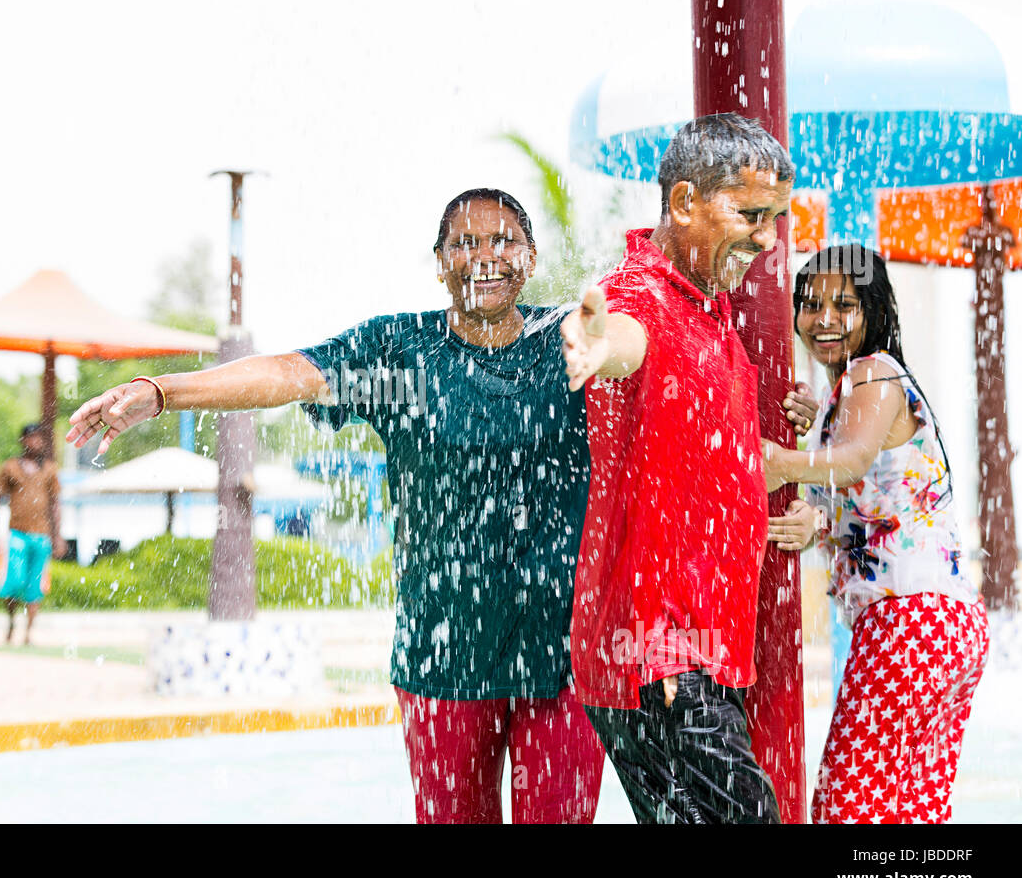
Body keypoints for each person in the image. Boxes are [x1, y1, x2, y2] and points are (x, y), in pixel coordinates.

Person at [66, 188, 606, 823]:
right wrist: (163, 391)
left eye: (504, 240)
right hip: (442, 650)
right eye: (464, 242)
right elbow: (288, 373)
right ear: (439, 263)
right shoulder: (403, 353)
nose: (485, 254)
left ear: (532, 258)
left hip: (564, 653)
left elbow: (652, 362)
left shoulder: (572, 343)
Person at [559, 113, 815, 823]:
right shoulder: (643, 298)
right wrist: (595, 343)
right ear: (682, 205)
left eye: (776, 220)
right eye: (751, 215)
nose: (768, 239)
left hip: (682, 653)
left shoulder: (708, 311)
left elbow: (722, 466)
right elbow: (621, 337)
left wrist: (793, 508)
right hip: (661, 657)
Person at [762, 245, 989, 824]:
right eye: (810, 305)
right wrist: (812, 493)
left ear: (874, 308)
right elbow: (858, 489)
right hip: (947, 624)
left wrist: (782, 462)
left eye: (845, 304)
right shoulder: (863, 388)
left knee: (848, 806)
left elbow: (856, 459)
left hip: (906, 624)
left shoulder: (874, 370)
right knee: (908, 812)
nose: (825, 320)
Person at [0, 423, 65, 646]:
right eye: (31, 438)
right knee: (13, 582)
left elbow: (55, 505)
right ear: (23, 441)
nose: (35, 442)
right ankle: (11, 621)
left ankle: (28, 633)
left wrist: (58, 536)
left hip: (42, 535)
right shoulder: (10, 467)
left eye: (39, 438)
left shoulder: (50, 470)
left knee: (36, 586)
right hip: (17, 533)